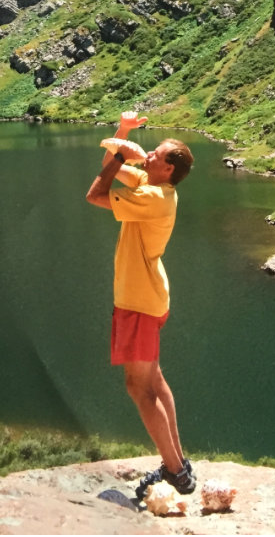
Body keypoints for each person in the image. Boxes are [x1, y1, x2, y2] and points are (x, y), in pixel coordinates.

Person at [85, 109, 196, 501]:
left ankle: (175, 471)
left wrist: (121, 155)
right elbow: (111, 164)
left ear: (168, 168)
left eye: (155, 154)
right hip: (148, 296)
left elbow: (95, 194)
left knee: (139, 387)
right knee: (154, 381)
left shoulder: (152, 196)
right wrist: (124, 132)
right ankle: (178, 462)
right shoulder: (154, 185)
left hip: (138, 302)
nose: (148, 155)